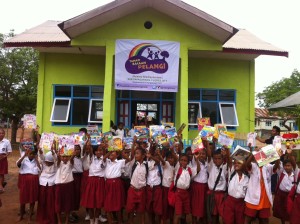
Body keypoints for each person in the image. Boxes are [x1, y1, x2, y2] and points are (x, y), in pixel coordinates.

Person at [244, 146, 280, 224]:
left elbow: (276, 167)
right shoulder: (253, 166)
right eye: (258, 155)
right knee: (248, 218)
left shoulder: (268, 166)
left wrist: (277, 157)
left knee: (264, 219)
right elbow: (247, 164)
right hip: (253, 197)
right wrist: (253, 154)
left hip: (265, 198)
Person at [81, 143, 106, 224]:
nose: (99, 152)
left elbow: (105, 154)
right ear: (95, 152)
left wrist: (105, 148)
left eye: (100, 150)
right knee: (90, 202)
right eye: (97, 151)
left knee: (98, 203)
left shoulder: (104, 159)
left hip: (100, 182)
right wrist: (89, 141)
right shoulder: (91, 158)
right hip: (91, 182)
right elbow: (90, 150)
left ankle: (96, 220)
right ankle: (91, 220)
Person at [173, 153, 200, 224]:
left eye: (185, 160)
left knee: (187, 213)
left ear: (188, 162)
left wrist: (197, 160)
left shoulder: (189, 170)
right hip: (178, 193)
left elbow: (198, 170)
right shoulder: (178, 167)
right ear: (179, 161)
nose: (183, 162)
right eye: (181, 160)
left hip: (186, 193)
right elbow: (175, 156)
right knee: (178, 214)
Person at [273, 149, 297, 224]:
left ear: (292, 166)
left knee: (291, 211)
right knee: (281, 211)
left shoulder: (295, 173)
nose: (287, 167)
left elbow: (295, 164)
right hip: (281, 194)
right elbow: (278, 164)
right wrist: (278, 156)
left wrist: (289, 154)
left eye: (289, 166)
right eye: (285, 166)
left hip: (291, 196)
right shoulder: (281, 172)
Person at [206, 144, 229, 224]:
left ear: (223, 159)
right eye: (215, 158)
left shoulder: (225, 167)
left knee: (223, 215)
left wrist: (227, 151)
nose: (217, 160)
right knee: (213, 215)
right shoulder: (211, 166)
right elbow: (209, 154)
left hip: (222, 196)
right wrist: (206, 142)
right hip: (212, 195)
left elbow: (229, 160)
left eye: (219, 158)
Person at [222, 159, 249, 224]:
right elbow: (229, 159)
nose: (236, 164)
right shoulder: (232, 172)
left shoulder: (247, 177)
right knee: (228, 220)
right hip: (230, 201)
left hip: (241, 203)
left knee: (240, 221)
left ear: (244, 165)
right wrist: (228, 148)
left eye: (239, 163)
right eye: (235, 163)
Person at [16, 149, 41, 222]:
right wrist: (24, 156)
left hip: (34, 181)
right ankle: (21, 215)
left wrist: (36, 160)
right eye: (30, 154)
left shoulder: (37, 160)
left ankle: (30, 217)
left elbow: (40, 169)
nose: (31, 155)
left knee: (32, 199)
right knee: (22, 199)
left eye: (33, 154)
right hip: (25, 180)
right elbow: (18, 164)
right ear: (27, 154)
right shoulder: (23, 159)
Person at [103, 150, 127, 224]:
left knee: (118, 203)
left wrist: (122, 152)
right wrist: (109, 152)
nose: (111, 154)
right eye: (110, 153)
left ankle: (120, 221)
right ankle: (111, 221)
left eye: (113, 153)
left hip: (116, 183)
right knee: (108, 203)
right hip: (108, 183)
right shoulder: (107, 161)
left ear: (117, 155)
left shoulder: (120, 162)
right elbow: (104, 158)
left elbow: (129, 159)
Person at [126, 146, 148, 224]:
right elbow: (132, 154)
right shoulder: (133, 163)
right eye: (135, 153)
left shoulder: (146, 165)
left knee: (142, 211)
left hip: (142, 191)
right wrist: (133, 143)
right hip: (132, 190)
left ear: (143, 156)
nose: (136, 155)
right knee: (130, 210)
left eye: (138, 153)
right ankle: (131, 221)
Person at [55, 149, 75, 224]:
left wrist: (73, 155)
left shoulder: (70, 163)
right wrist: (58, 155)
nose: (65, 158)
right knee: (58, 203)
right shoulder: (59, 164)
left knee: (68, 203)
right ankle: (59, 221)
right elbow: (58, 161)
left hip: (68, 185)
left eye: (66, 156)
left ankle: (66, 220)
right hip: (59, 185)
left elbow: (72, 160)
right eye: (63, 157)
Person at [37, 148, 57, 224]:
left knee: (51, 203)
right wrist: (40, 152)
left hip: (51, 185)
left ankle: (51, 218)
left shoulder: (55, 165)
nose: (48, 163)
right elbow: (42, 158)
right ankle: (42, 217)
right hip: (43, 184)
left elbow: (56, 160)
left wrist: (53, 152)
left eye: (49, 162)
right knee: (42, 202)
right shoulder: (44, 163)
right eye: (47, 162)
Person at [190, 148, 208, 224]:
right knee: (194, 207)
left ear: (206, 155)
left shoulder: (207, 163)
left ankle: (200, 221)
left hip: (204, 188)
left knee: (203, 208)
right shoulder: (194, 162)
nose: (201, 155)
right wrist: (196, 159)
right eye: (199, 153)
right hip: (196, 187)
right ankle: (194, 221)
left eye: (203, 154)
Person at [145, 146, 163, 224]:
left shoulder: (160, 164)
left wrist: (153, 156)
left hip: (157, 188)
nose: (155, 157)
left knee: (158, 208)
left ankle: (158, 221)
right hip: (149, 187)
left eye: (156, 156)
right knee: (149, 207)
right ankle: (151, 221)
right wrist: (150, 156)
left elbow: (158, 161)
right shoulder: (148, 163)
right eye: (153, 155)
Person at [160, 150, 176, 224]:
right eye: (169, 158)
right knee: (164, 206)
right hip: (165, 188)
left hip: (172, 189)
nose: (170, 159)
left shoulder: (175, 167)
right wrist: (159, 155)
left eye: (172, 158)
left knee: (171, 206)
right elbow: (162, 161)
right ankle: (163, 221)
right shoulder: (166, 164)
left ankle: (171, 220)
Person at [70, 145, 83, 222]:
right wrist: (72, 155)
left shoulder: (81, 159)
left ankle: (74, 211)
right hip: (73, 177)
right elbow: (70, 162)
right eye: (76, 149)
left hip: (80, 177)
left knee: (77, 195)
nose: (77, 151)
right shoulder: (71, 158)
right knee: (72, 195)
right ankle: (70, 213)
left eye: (78, 149)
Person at [0, 128, 12, 193]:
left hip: (3, 159)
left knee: (1, 173)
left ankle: (1, 186)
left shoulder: (6, 141)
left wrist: (4, 156)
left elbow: (9, 151)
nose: (1, 134)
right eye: (0, 133)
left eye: (3, 133)